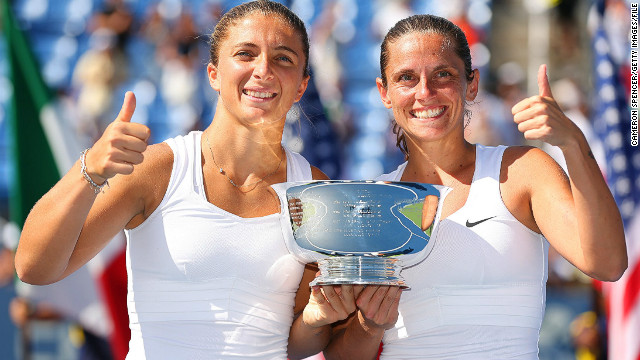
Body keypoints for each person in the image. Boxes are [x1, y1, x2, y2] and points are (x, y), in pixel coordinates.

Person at [14, 1, 356, 358]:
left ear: (302, 86)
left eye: (283, 58)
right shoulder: (158, 169)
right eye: (245, 53)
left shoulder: (314, 189)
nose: (263, 70)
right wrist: (89, 170)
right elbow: (34, 267)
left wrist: (318, 320)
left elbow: (294, 343)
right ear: (213, 74)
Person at [323, 14, 627, 359]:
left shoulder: (522, 170)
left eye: (443, 75)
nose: (425, 92)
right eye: (406, 78)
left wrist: (573, 142)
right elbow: (341, 354)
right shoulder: (370, 202)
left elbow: (609, 263)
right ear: (385, 92)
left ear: (471, 84)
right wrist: (371, 325)